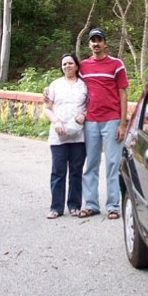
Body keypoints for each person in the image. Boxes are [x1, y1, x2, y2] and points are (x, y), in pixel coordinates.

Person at [78, 28, 129, 220]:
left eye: (99, 40)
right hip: (90, 121)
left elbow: (123, 93)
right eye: (93, 41)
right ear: (89, 44)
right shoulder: (83, 66)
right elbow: (73, 84)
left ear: (105, 43)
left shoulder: (116, 64)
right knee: (91, 163)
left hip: (112, 120)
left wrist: (122, 123)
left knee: (113, 163)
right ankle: (91, 204)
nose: (96, 44)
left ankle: (113, 206)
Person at [43, 53, 88, 219]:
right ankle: (56, 207)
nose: (67, 66)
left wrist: (84, 114)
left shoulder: (84, 85)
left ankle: (75, 205)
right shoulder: (54, 85)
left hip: (79, 135)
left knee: (76, 171)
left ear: (76, 66)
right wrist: (56, 122)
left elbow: (91, 105)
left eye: (70, 63)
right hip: (58, 136)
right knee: (58, 172)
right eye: (64, 64)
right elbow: (46, 108)